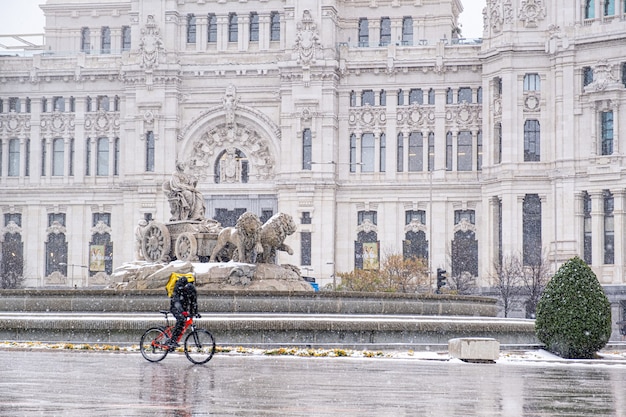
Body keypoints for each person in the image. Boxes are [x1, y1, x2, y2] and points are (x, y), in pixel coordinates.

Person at [167, 273, 199, 349]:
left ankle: (174, 340)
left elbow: (193, 303)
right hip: (175, 307)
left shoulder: (192, 291)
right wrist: (181, 311)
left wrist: (195, 313)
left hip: (183, 308)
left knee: (183, 321)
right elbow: (176, 300)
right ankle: (172, 341)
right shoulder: (179, 286)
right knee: (181, 320)